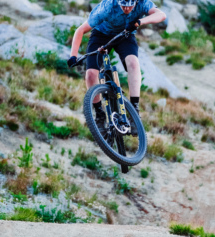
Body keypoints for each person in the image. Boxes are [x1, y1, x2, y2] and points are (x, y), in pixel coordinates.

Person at [67, 0, 166, 136]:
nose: (126, 8)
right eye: (123, 4)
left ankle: (134, 112)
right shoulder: (107, 7)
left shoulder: (143, 3)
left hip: (125, 35)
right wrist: (73, 56)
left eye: (129, 5)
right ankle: (99, 115)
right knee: (91, 74)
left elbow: (161, 15)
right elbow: (81, 30)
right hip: (101, 35)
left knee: (133, 63)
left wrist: (140, 22)